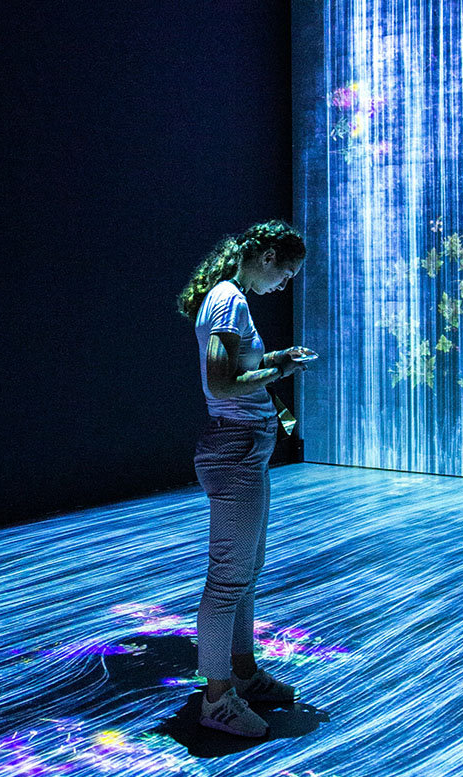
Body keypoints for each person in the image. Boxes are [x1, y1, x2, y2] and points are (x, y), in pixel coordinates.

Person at [176, 220, 311, 737]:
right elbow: (222, 381)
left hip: (243, 450)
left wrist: (277, 357)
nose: (285, 284)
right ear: (269, 255)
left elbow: (236, 369)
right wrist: (279, 372)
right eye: (288, 272)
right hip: (234, 450)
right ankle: (217, 697)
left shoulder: (231, 298)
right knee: (228, 579)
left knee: (245, 573)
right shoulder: (228, 299)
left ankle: (243, 673)